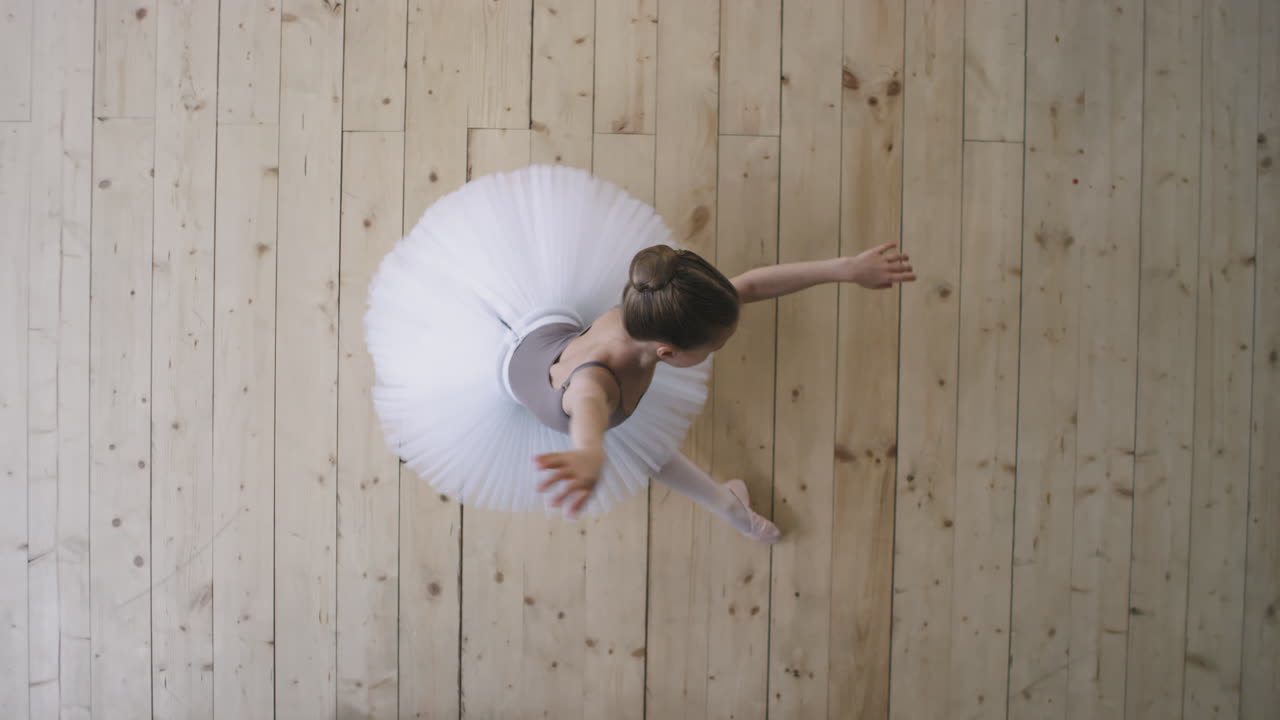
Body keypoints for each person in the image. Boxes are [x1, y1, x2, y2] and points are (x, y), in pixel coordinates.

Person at [364, 165, 914, 545]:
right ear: (669, 351)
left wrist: (844, 268)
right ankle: (732, 510)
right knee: (645, 452)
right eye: (716, 345)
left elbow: (748, 286)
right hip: (533, 378)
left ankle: (731, 508)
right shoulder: (597, 386)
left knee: (648, 451)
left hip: (543, 331)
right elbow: (588, 410)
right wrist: (588, 455)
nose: (723, 346)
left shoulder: (644, 309)